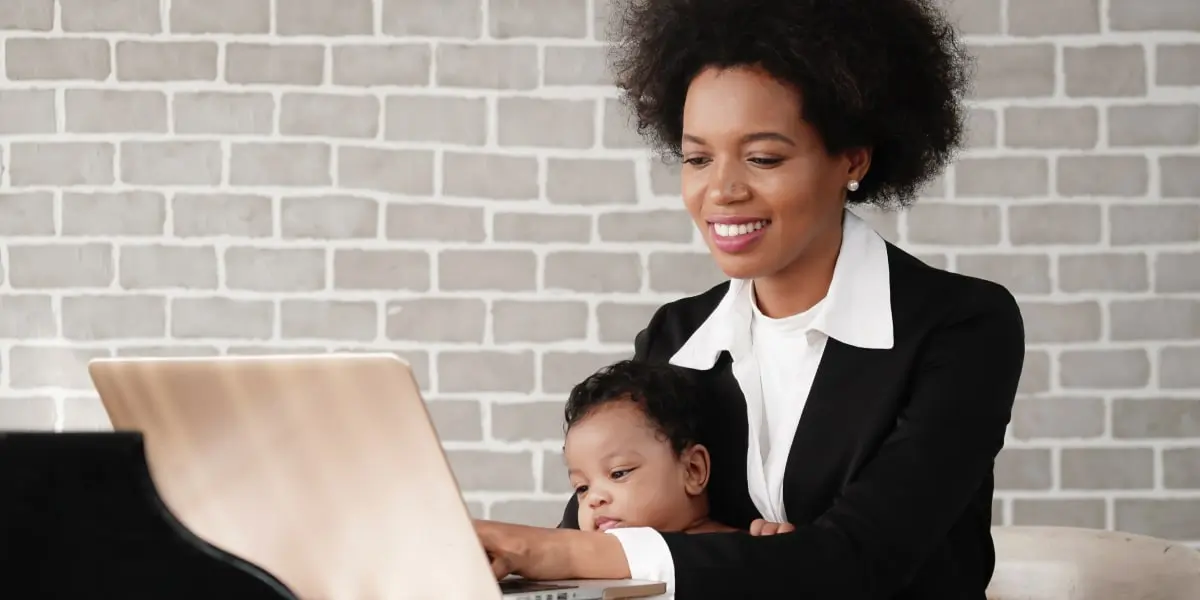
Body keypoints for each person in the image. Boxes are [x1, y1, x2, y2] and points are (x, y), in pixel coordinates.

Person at [475, 0, 1025, 597]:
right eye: (697, 158)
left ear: (853, 159)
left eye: (763, 157)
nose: (723, 190)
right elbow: (589, 542)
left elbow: (861, 561)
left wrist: (555, 550)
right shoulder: (679, 339)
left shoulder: (961, 328)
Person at [563, 359, 794, 537]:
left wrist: (773, 553)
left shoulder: (736, 548)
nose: (594, 499)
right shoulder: (593, 561)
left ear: (692, 470)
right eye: (582, 488)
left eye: (618, 473)